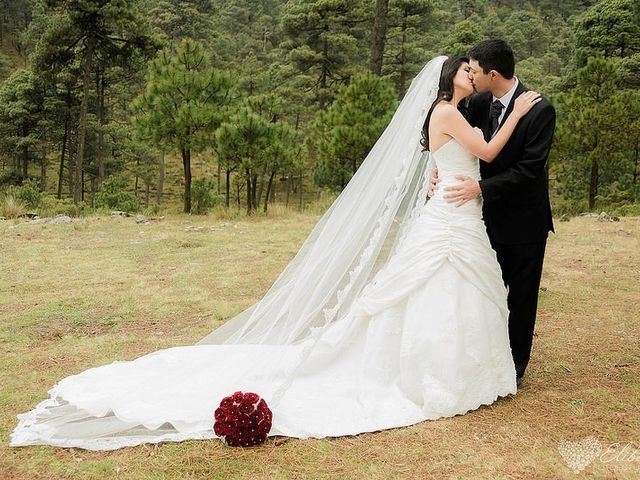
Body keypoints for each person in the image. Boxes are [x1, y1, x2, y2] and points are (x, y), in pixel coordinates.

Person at [10, 55, 540, 451]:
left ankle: (453, 369)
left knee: (448, 291)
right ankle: (433, 373)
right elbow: (489, 152)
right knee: (434, 290)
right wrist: (515, 113)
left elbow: (454, 160)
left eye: (477, 70)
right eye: (467, 69)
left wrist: (443, 173)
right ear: (450, 76)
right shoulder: (447, 112)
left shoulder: (448, 113)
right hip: (451, 218)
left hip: (455, 213)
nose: (473, 73)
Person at [431, 40, 556, 388]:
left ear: (493, 74)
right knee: (479, 289)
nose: (470, 74)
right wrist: (437, 168)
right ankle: (480, 356)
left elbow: (530, 169)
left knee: (521, 296)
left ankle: (514, 367)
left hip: (524, 219)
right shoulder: (478, 102)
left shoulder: (539, 109)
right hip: (479, 218)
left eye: (473, 69)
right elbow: (452, 140)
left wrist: (481, 189)